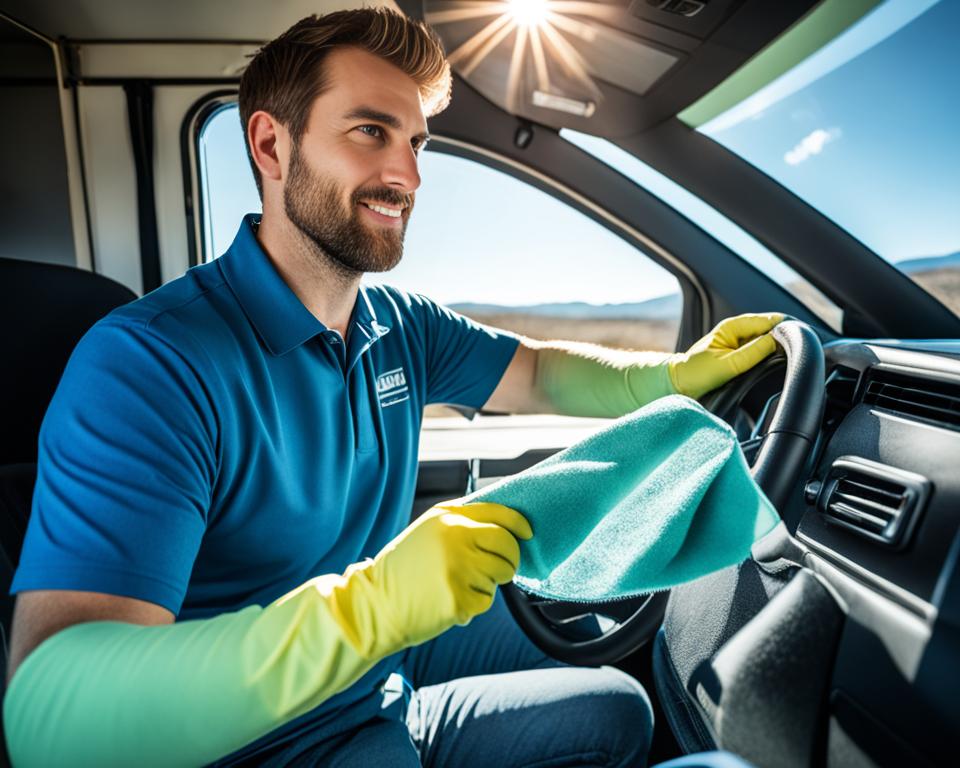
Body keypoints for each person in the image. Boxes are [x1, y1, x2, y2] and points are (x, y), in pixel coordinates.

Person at [4, 8, 782, 767]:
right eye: (370, 132)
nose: (407, 175)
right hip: (262, 738)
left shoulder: (395, 324)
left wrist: (677, 374)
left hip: (374, 670)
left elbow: (538, 369)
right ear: (271, 146)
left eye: (416, 143)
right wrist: (370, 609)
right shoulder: (151, 363)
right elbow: (52, 719)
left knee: (620, 700)